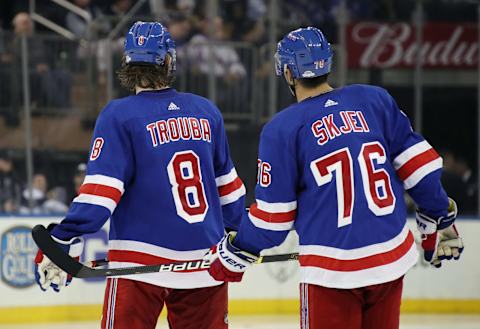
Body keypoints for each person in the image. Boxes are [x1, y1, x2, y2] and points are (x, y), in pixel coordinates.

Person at [207, 27, 464, 329]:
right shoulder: (374, 100)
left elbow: (273, 221)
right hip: (390, 260)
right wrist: (440, 215)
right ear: (327, 63)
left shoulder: (283, 129)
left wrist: (237, 249)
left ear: (288, 73)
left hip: (333, 270)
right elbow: (419, 169)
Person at [34, 21, 246, 329]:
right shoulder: (206, 111)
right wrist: (244, 239)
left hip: (139, 262)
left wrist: (63, 238)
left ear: (127, 62)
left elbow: (100, 195)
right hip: (205, 261)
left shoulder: (119, 115)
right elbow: (230, 190)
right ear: (169, 60)